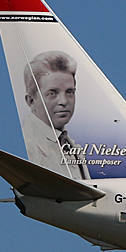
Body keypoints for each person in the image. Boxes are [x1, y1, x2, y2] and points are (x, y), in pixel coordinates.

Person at [21, 50, 90, 180]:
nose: (63, 102)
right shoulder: (30, 146)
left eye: (69, 92)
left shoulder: (72, 146)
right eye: (52, 93)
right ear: (31, 101)